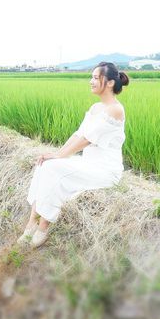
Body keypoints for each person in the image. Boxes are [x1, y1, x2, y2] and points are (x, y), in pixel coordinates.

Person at [19, 61, 129, 249]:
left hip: (105, 170)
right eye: (91, 77)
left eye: (96, 78)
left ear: (110, 83)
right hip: (88, 163)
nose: (91, 81)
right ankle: (31, 223)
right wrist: (57, 153)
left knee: (53, 168)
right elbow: (78, 134)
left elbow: (86, 140)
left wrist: (59, 157)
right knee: (44, 164)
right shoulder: (96, 108)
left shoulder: (115, 109)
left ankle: (43, 228)